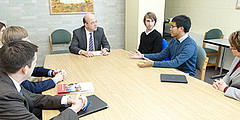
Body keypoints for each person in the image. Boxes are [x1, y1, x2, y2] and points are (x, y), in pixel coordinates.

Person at [0, 40, 87, 119]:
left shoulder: (8, 77)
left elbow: (33, 98)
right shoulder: (6, 96)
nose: (36, 65)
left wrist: (67, 100)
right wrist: (73, 110)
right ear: (25, 69)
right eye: (35, 63)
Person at [2, 26, 66, 94]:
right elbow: (33, 88)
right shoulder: (11, 64)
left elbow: (33, 70)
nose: (29, 42)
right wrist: (55, 80)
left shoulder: (11, 55)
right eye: (26, 40)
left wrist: (51, 72)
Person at [129, 15, 197, 76]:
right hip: (174, 70)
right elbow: (161, 55)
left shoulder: (190, 45)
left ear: (181, 28)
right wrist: (142, 55)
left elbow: (175, 63)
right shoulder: (174, 40)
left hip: (185, 74)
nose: (170, 29)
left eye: (172, 26)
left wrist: (152, 63)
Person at [213, 30, 240, 101]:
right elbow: (229, 75)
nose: (230, 48)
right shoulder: (237, 57)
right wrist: (221, 83)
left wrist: (226, 88)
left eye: (233, 47)